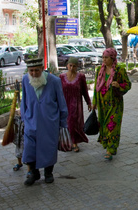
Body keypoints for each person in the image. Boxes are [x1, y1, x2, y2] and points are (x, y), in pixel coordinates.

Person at [21, 58, 68, 186]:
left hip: (50, 122)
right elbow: (23, 100)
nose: (34, 73)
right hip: (31, 120)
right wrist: (24, 118)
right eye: (31, 71)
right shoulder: (25, 80)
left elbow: (62, 103)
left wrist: (63, 122)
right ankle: (34, 173)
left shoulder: (54, 81)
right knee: (29, 149)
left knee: (48, 147)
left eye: (37, 70)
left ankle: (48, 173)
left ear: (42, 68)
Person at [92, 48, 132, 160]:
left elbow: (128, 84)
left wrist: (119, 86)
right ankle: (106, 143)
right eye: (103, 57)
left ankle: (111, 149)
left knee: (113, 125)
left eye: (106, 57)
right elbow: (96, 87)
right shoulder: (100, 70)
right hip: (102, 104)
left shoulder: (120, 70)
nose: (104, 60)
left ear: (112, 58)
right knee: (104, 124)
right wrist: (94, 102)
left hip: (115, 103)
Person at [60, 57, 92, 153]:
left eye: (74, 66)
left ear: (77, 67)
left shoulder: (81, 77)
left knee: (73, 123)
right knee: (66, 124)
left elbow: (84, 91)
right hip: (65, 104)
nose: (72, 67)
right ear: (67, 65)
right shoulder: (61, 77)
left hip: (76, 105)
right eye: (70, 65)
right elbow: (57, 92)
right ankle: (67, 142)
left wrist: (89, 103)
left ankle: (74, 142)